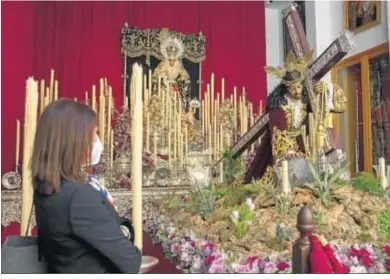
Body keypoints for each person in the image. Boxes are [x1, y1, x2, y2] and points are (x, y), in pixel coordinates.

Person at [31, 99, 142, 273]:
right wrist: (120, 228)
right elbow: (131, 260)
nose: (97, 141)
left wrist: (120, 228)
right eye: (93, 133)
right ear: (74, 140)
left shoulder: (46, 186)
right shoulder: (79, 196)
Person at [152, 36, 191, 109]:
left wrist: (181, 79)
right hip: (165, 87)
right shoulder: (163, 65)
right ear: (168, 59)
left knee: (177, 100)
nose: (172, 62)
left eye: (173, 60)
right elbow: (157, 74)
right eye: (170, 60)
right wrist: (164, 78)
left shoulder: (179, 65)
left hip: (175, 87)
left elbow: (185, 76)